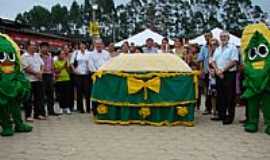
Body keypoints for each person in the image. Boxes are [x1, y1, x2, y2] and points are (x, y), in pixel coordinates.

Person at [212, 31, 239, 125]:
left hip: (229, 74)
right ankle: (221, 115)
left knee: (230, 96)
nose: (223, 38)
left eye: (224, 36)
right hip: (219, 74)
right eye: (221, 36)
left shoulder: (233, 48)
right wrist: (217, 70)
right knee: (220, 95)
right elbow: (213, 61)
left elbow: (234, 61)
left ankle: (229, 117)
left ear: (228, 38)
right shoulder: (218, 49)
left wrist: (222, 70)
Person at [21, 41, 46, 121]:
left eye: (35, 45)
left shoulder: (37, 55)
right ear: (28, 46)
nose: (35, 47)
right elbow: (26, 68)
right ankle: (28, 116)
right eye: (33, 45)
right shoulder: (24, 56)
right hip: (29, 80)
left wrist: (41, 72)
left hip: (38, 80)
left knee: (39, 98)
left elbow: (42, 64)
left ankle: (37, 114)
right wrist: (36, 73)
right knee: (28, 99)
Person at [89, 39, 111, 114]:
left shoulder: (107, 53)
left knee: (105, 92)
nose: (98, 45)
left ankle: (106, 109)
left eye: (100, 44)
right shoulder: (91, 54)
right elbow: (91, 65)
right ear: (95, 45)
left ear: (102, 45)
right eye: (97, 44)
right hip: (96, 76)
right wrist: (97, 72)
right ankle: (95, 111)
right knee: (96, 93)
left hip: (106, 76)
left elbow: (109, 63)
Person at [70, 41, 91, 113]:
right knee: (79, 92)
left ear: (85, 46)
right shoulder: (76, 53)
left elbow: (90, 62)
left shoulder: (89, 53)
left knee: (87, 92)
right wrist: (74, 70)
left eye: (83, 44)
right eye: (81, 45)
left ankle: (88, 108)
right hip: (78, 74)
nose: (82, 46)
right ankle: (81, 108)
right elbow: (71, 63)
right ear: (79, 46)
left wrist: (89, 69)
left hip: (86, 74)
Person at [197, 32, 213, 115]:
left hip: (216, 71)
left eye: (209, 36)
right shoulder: (203, 48)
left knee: (215, 90)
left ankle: (216, 108)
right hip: (207, 72)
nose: (207, 38)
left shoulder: (216, 46)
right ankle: (208, 108)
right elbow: (200, 59)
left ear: (212, 37)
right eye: (206, 36)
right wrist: (201, 70)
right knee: (207, 90)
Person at [40, 42, 58, 116]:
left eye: (46, 47)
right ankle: (42, 112)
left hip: (49, 76)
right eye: (43, 47)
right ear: (40, 48)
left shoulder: (50, 55)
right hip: (42, 76)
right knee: (42, 95)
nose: (45, 48)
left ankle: (51, 110)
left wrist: (53, 76)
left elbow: (52, 66)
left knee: (50, 94)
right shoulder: (38, 56)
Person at [54, 50, 72, 114]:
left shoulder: (66, 61)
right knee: (60, 95)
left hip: (67, 79)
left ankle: (67, 108)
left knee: (67, 94)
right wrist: (63, 66)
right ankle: (61, 108)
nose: (63, 55)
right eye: (61, 54)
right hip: (59, 80)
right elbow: (56, 71)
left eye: (64, 54)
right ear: (58, 55)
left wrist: (67, 66)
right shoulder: (55, 62)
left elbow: (69, 71)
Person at [208, 38, 219, 118]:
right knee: (212, 94)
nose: (213, 46)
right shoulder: (210, 54)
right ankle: (213, 109)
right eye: (211, 45)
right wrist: (211, 72)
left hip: (219, 74)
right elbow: (209, 64)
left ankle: (219, 110)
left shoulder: (219, 53)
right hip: (212, 77)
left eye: (214, 44)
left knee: (219, 94)